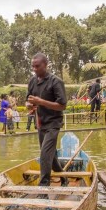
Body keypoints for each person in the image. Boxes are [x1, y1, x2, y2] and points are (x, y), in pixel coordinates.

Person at [26, 53, 67, 187]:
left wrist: (41, 102)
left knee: (44, 154)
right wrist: (29, 105)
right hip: (41, 123)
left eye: (37, 66)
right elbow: (29, 100)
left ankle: (43, 188)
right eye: (33, 66)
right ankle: (63, 177)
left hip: (53, 123)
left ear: (45, 65)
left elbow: (62, 105)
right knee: (50, 155)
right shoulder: (32, 81)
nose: (35, 69)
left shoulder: (56, 81)